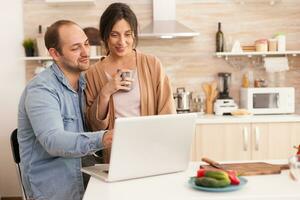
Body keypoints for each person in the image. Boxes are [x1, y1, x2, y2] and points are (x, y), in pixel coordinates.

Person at [17, 20, 113, 200]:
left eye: (86, 44)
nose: (86, 52)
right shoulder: (42, 89)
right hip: (55, 191)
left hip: (84, 181)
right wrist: (104, 137)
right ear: (55, 53)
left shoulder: (83, 84)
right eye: (76, 48)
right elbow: (53, 141)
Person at [84, 3, 176, 163]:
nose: (122, 41)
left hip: (151, 151)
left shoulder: (152, 64)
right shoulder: (93, 74)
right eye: (114, 34)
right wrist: (106, 91)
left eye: (128, 34)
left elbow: (167, 112)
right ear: (105, 35)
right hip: (116, 155)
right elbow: (94, 127)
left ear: (134, 35)